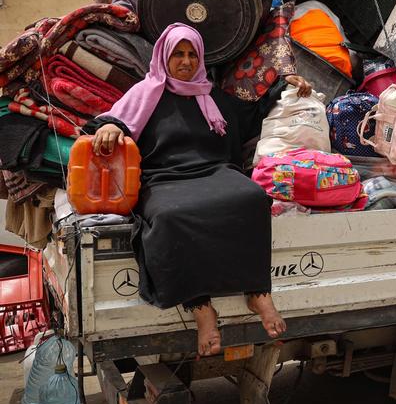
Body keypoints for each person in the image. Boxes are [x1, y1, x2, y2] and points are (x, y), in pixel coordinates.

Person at [88, 24, 312, 356]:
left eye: (192, 54)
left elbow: (249, 116)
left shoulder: (211, 96)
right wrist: (108, 126)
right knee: (169, 217)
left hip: (215, 172)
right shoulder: (145, 93)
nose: (186, 61)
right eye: (178, 53)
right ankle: (201, 308)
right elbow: (115, 120)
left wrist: (283, 86)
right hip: (163, 180)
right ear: (164, 56)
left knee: (251, 198)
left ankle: (258, 293)